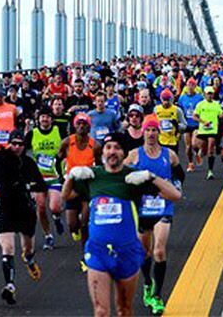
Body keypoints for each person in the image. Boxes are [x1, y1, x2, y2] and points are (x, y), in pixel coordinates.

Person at [62, 133, 181, 317]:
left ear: (124, 153)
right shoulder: (94, 176)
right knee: (101, 312)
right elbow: (65, 197)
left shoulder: (132, 178)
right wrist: (71, 176)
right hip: (98, 251)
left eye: (117, 148)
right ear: (103, 152)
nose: (112, 151)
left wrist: (151, 176)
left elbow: (175, 195)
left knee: (124, 310)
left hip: (127, 252)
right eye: (108, 147)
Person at [0, 130, 46, 304]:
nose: (16, 147)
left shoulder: (29, 163)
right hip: (7, 209)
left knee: (27, 248)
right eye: (13, 143)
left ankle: (29, 259)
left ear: (24, 146)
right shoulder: (4, 160)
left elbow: (40, 183)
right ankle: (10, 286)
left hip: (25, 211)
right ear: (9, 143)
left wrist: (30, 187)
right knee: (7, 249)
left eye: (20, 144)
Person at [125, 117, 182, 314]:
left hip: (163, 208)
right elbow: (124, 178)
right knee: (144, 253)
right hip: (142, 210)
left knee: (159, 251)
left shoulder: (170, 155)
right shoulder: (134, 156)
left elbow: (179, 175)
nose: (151, 134)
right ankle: (147, 283)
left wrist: (173, 187)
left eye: (154, 130)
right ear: (143, 132)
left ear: (158, 133)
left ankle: (157, 296)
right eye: (148, 130)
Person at [56, 113, 100, 248]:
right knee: (72, 223)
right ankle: (76, 230)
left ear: (89, 127)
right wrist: (61, 177)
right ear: (75, 126)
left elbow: (99, 166)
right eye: (79, 124)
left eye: (84, 124)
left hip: (87, 184)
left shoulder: (95, 145)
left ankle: (85, 251)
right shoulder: (67, 143)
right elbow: (57, 160)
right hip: (72, 183)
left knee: (85, 221)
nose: (81, 127)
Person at [26, 109, 65, 250]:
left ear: (51, 119)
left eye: (47, 117)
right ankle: (48, 236)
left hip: (54, 176)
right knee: (41, 208)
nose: (44, 119)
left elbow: (67, 148)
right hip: (38, 177)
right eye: (42, 117)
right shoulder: (33, 134)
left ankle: (57, 217)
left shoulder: (58, 131)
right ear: (38, 119)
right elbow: (22, 150)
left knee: (54, 206)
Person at [194, 86, 223, 180]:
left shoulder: (216, 104)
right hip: (203, 130)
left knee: (211, 148)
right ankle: (199, 153)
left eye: (211, 94)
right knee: (203, 148)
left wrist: (222, 115)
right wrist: (203, 122)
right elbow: (194, 116)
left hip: (213, 130)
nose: (210, 96)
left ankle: (210, 171)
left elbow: (221, 114)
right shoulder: (200, 104)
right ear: (205, 95)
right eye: (208, 94)